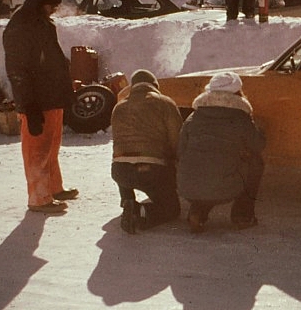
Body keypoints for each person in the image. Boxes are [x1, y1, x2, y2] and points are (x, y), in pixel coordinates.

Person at [3, 0, 77, 214]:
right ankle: (38, 198)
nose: (55, 8)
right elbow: (17, 70)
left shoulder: (42, 21)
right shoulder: (21, 25)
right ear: (40, 0)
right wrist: (29, 104)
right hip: (37, 101)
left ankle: (53, 187)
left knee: (51, 146)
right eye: (52, 4)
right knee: (37, 149)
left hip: (52, 97)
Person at [177, 71, 266, 232]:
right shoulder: (241, 117)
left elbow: (181, 148)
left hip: (187, 187)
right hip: (224, 187)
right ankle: (242, 216)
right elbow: (257, 145)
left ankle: (197, 212)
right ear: (238, 91)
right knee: (255, 163)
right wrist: (260, 130)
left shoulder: (193, 116)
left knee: (208, 172)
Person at [110, 70, 184, 234]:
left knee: (123, 160)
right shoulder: (165, 103)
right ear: (155, 85)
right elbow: (177, 140)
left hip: (120, 172)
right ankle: (139, 211)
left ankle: (127, 200)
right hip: (152, 171)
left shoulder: (119, 106)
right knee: (172, 210)